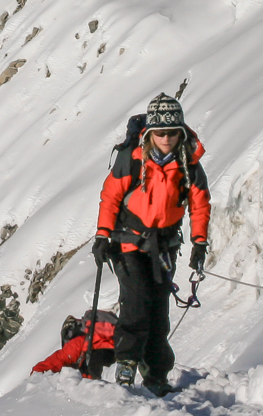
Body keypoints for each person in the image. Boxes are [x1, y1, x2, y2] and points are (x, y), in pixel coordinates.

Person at [93, 93, 210, 395]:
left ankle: (156, 375)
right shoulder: (132, 159)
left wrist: (199, 244)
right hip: (126, 243)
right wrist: (102, 236)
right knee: (136, 300)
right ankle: (127, 364)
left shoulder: (189, 164)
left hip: (164, 247)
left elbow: (200, 205)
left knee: (158, 310)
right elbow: (111, 196)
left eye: (172, 132)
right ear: (150, 133)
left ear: (181, 132)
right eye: (161, 132)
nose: (167, 138)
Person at [30, 310, 118, 378]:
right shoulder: (92, 338)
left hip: (98, 359)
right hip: (115, 353)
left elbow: (58, 359)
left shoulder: (78, 342)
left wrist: (36, 372)